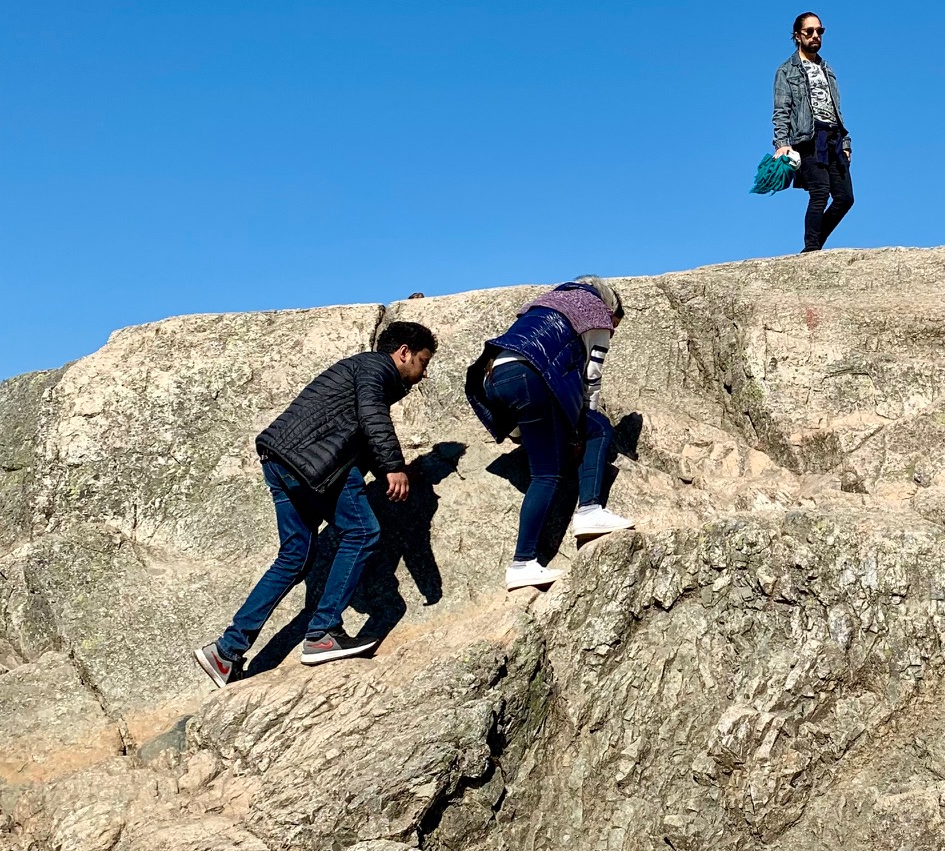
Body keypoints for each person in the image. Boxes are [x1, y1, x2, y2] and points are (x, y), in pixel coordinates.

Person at [191, 321, 437, 689]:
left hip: (280, 461)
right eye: (422, 361)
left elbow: (359, 432)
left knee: (295, 556)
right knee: (362, 532)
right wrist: (393, 468)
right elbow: (372, 416)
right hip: (316, 464)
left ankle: (226, 651)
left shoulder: (358, 369)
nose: (423, 373)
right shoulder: (375, 368)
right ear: (403, 352)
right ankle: (323, 633)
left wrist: (381, 467)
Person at [465, 276, 634, 590]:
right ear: (610, 309)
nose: (611, 334)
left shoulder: (545, 303)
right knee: (588, 438)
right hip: (531, 376)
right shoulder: (596, 313)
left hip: (495, 376)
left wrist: (519, 432)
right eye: (615, 327)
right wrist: (585, 420)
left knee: (547, 459)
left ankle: (528, 558)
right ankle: (580, 517)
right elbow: (592, 375)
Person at [773, 11, 853, 253]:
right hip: (807, 138)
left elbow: (835, 107)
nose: (815, 35)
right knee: (820, 192)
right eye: (810, 31)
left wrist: (846, 142)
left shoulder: (827, 69)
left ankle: (817, 242)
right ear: (798, 36)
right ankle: (811, 249)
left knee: (845, 198)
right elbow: (781, 110)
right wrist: (781, 143)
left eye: (820, 31)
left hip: (834, 138)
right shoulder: (786, 71)